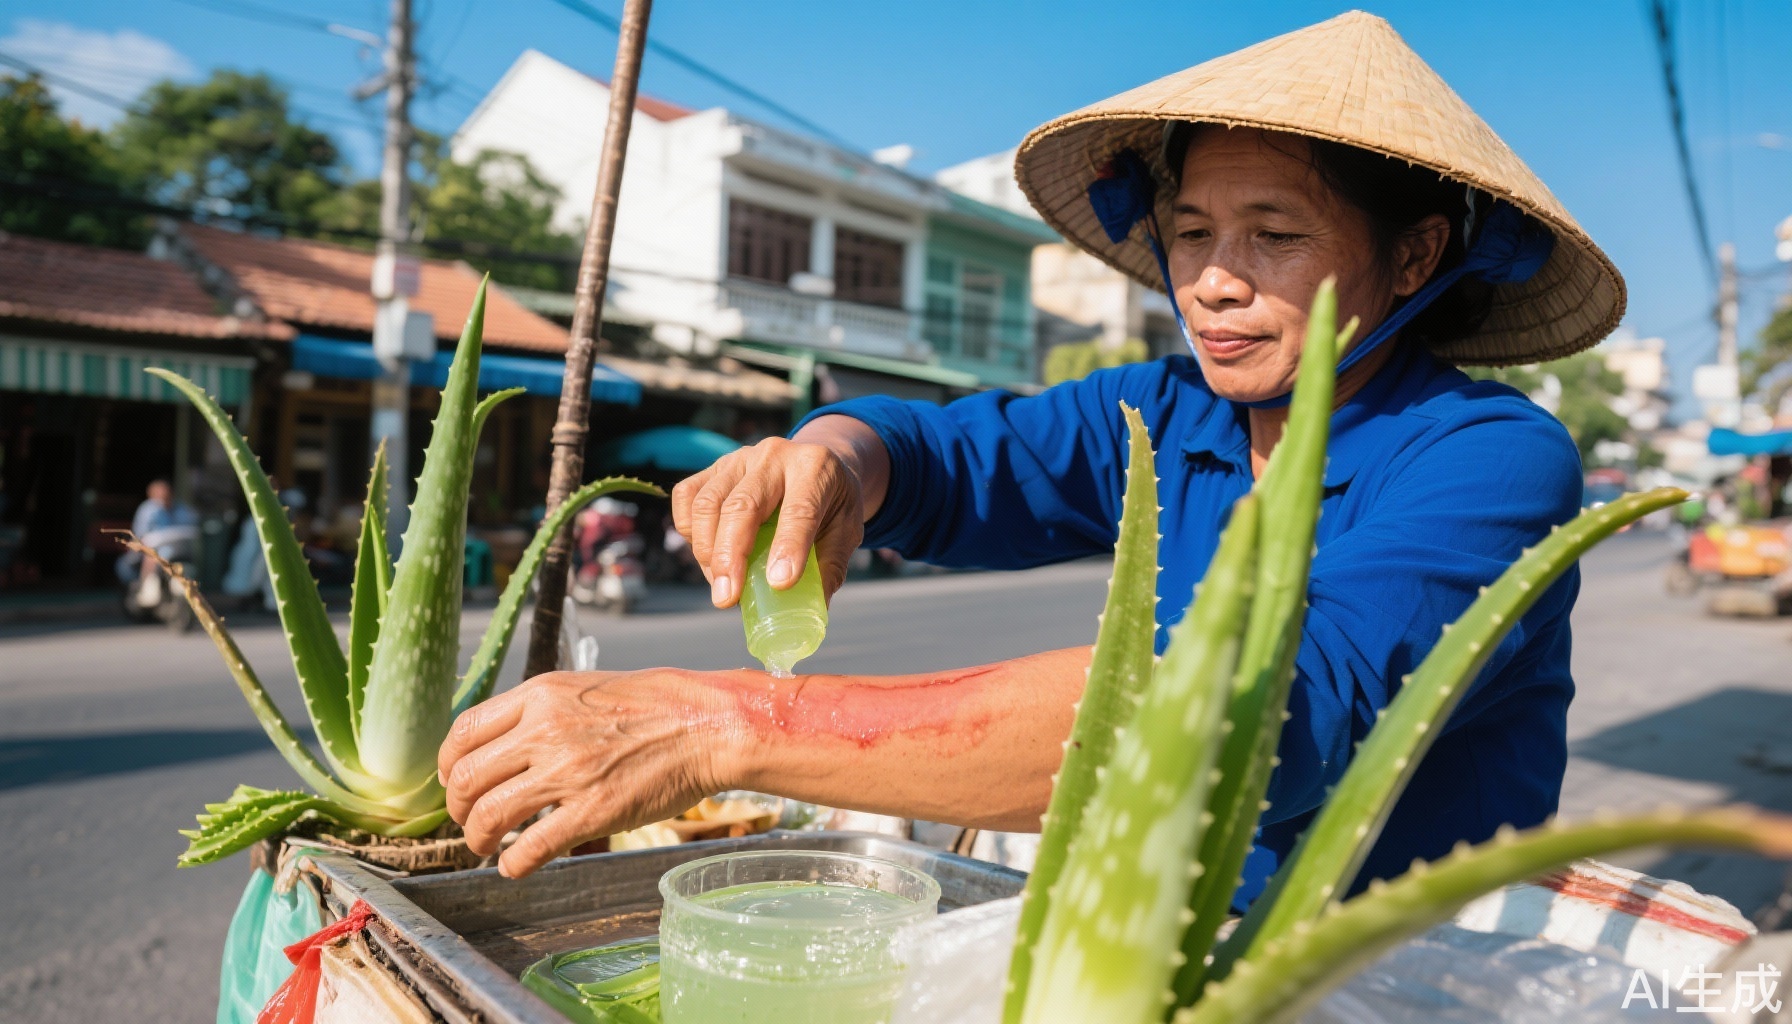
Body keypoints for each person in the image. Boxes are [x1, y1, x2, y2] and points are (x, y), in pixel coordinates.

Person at [439, 12, 1624, 892]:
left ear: (1413, 258)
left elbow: (1248, 718)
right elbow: (945, 450)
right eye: (1193, 233)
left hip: (1395, 972)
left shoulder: (1491, 460)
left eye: (1275, 235)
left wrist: (725, 723)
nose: (1213, 282)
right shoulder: (1171, 412)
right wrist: (830, 457)